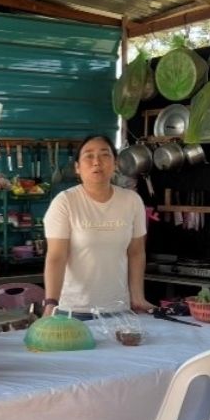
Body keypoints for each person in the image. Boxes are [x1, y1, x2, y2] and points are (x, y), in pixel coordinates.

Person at [42, 133, 154, 318]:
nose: (97, 162)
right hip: (73, 311)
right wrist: (50, 304)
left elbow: (136, 253)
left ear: (115, 164)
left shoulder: (132, 201)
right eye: (89, 156)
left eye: (104, 155)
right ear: (77, 167)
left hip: (118, 310)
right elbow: (56, 256)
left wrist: (138, 297)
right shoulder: (65, 202)